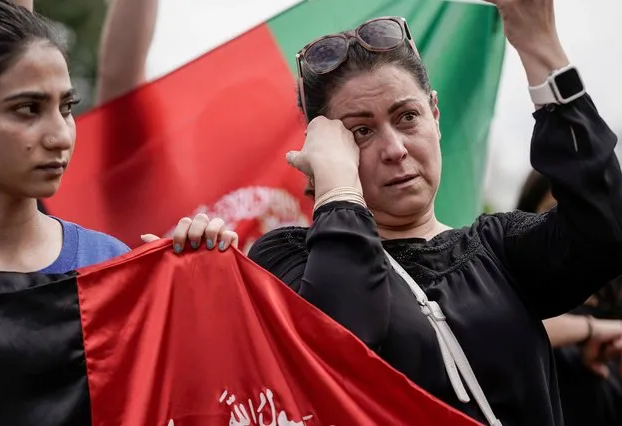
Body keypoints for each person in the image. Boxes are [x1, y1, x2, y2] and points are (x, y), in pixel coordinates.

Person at [168, 1, 622, 425]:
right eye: (361, 131)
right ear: (322, 147)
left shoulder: (499, 249)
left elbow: (603, 228)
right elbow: (339, 349)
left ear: (435, 116)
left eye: (407, 117)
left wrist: (541, 48)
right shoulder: (287, 261)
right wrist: (340, 188)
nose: (394, 149)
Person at [0, 0, 233, 273]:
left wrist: (190, 294)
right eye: (29, 109)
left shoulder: (109, 265)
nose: (60, 138)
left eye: (66, 108)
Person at [517, 170, 622, 426]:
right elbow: (506, 328)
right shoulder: (513, 277)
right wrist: (593, 330)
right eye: (554, 211)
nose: (571, 225)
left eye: (584, 210)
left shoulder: (614, 287)